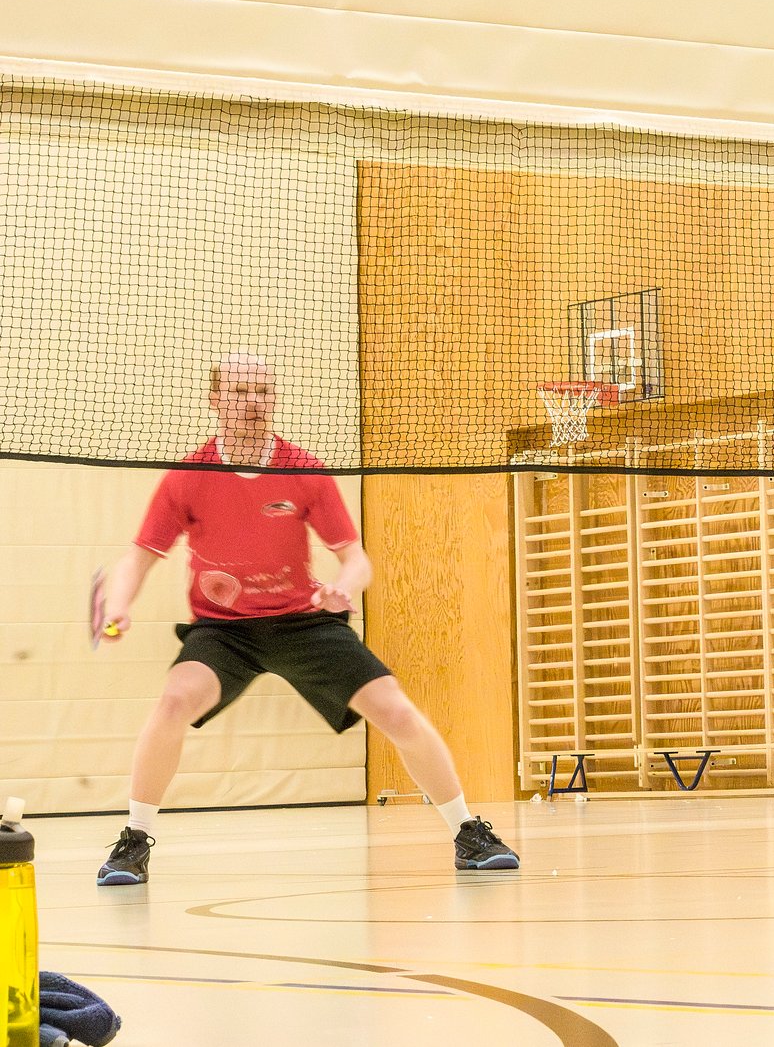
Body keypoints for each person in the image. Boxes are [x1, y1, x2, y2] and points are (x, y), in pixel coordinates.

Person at [94, 353, 519, 884]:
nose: (254, 402)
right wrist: (119, 605)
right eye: (241, 392)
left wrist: (344, 588)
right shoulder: (189, 476)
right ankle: (134, 842)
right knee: (175, 701)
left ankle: (468, 833)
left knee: (395, 710)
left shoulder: (303, 469)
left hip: (303, 621)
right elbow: (139, 557)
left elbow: (356, 559)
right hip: (223, 630)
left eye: (263, 391)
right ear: (216, 399)